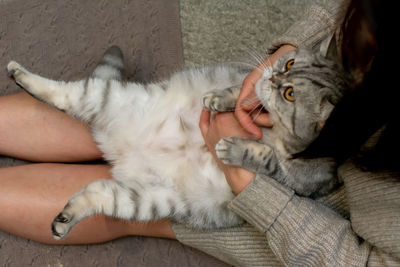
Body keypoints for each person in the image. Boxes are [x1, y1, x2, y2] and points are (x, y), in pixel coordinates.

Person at [0, 0, 398, 266]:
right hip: (277, 106)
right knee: (118, 110)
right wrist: (290, 52)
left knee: (127, 204)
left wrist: (246, 186)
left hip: (290, 211)